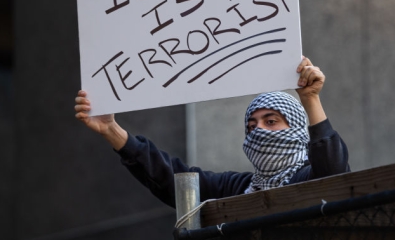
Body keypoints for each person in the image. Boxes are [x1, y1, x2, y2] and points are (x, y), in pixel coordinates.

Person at [74, 56, 349, 208]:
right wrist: (111, 129)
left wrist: (310, 99)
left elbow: (333, 172)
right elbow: (171, 179)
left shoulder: (307, 177)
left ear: (297, 126)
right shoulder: (237, 188)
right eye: (251, 127)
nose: (259, 131)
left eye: (271, 121)